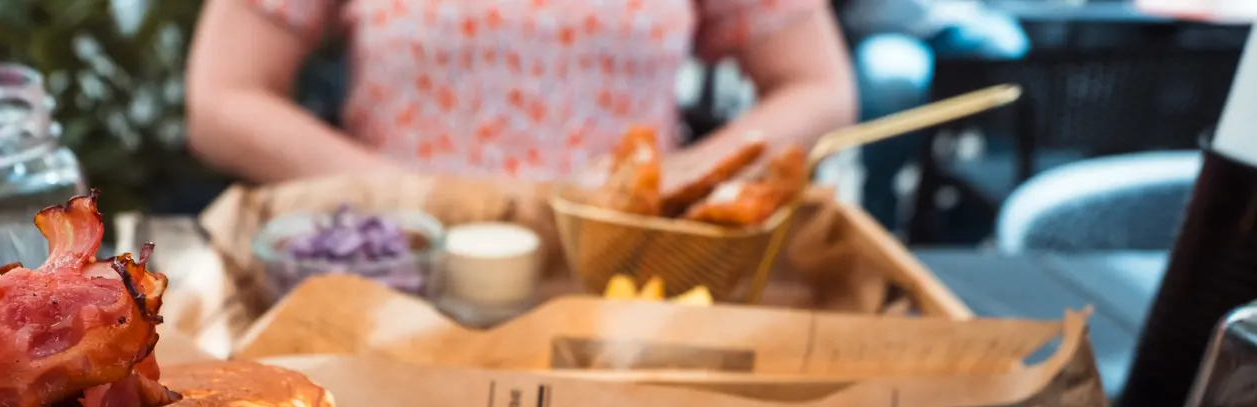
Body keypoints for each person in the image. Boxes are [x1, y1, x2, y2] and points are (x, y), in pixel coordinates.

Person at [185, 0, 856, 185]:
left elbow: (818, 86)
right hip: (397, 281)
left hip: (629, 281)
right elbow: (223, 98)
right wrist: (413, 196)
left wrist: (675, 182)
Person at [842, 0, 1029, 231]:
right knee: (892, 83)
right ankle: (879, 210)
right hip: (890, 24)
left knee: (1015, 52)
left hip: (963, 18)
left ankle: (993, 200)